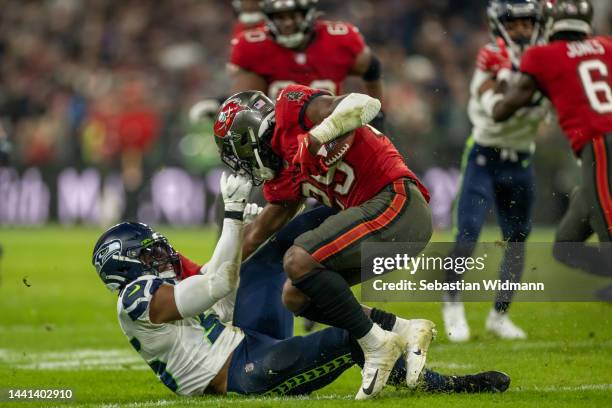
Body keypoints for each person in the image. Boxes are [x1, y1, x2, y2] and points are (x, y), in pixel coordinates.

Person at [92, 173, 511, 398]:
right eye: (148, 254)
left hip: (245, 340)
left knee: (279, 249)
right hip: (242, 374)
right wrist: (234, 214)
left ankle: (352, 204)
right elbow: (218, 282)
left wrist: (244, 233)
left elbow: (221, 278)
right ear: (124, 267)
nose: (160, 256)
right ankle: (443, 384)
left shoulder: (149, 293)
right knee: (352, 341)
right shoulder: (135, 298)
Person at [213, 84, 434, 399]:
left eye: (237, 151)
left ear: (248, 137)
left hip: (398, 204)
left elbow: (365, 103)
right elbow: (255, 236)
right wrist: (209, 279)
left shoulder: (292, 112)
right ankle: (402, 330)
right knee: (295, 295)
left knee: (297, 259)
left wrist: (317, 136)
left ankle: (376, 346)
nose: (241, 163)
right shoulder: (282, 173)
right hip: (383, 226)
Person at [442, 0, 549, 342]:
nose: (521, 29)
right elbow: (497, 107)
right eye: (514, 23)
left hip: (520, 160)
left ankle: (499, 315)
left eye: (527, 22)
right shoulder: (492, 56)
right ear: (499, 25)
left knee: (516, 240)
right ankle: (452, 302)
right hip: (484, 158)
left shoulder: (545, 58)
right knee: (468, 233)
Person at [491, 0, 612, 300]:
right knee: (566, 245)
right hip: (597, 149)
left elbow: (502, 110)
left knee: (608, 224)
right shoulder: (607, 46)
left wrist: (501, 79)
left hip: (600, 143)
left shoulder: (542, 56)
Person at [229, 0, 385, 131]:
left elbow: (371, 66)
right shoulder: (252, 46)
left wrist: (377, 112)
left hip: (332, 132)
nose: (288, 23)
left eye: (294, 15)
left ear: (308, 13)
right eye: (280, 17)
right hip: (280, 137)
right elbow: (246, 100)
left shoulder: (339, 39)